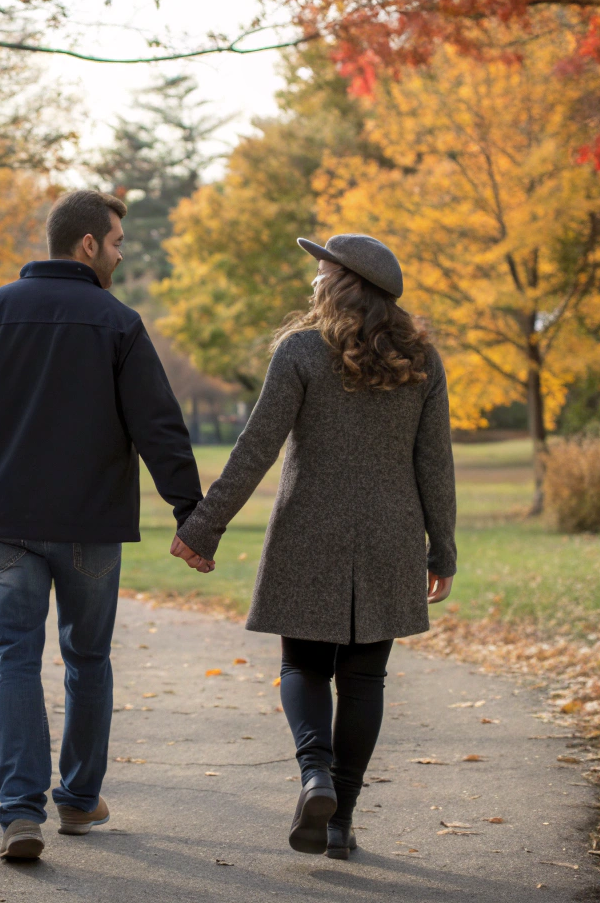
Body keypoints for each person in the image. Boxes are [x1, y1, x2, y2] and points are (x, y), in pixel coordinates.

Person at [0, 189, 203, 861]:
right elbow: (159, 427)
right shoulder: (117, 322)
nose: (118, 253)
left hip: (1, 522)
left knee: (13, 661)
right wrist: (191, 514)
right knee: (87, 660)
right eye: (115, 241)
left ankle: (20, 814)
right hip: (88, 527)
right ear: (87, 244)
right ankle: (79, 801)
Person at [172, 233, 457, 861]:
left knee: (303, 666)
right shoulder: (421, 360)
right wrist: (443, 550)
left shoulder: (301, 350)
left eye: (321, 267)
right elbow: (435, 463)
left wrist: (203, 526)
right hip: (391, 535)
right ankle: (338, 823)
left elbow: (256, 447)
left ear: (344, 280)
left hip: (309, 531)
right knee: (364, 679)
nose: (314, 277)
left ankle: (315, 776)